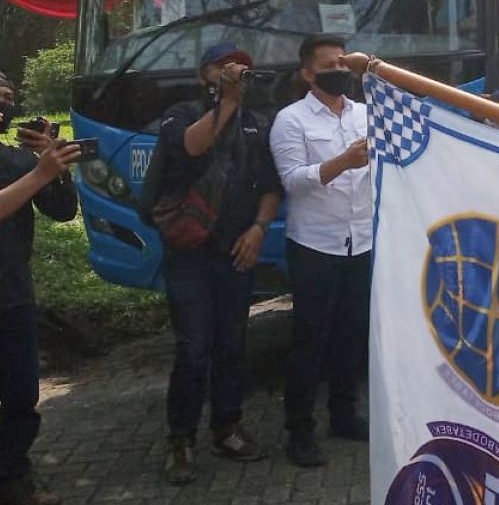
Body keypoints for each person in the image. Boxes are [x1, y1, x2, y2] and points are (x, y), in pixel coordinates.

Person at [155, 44, 283, 484]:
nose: (236, 74)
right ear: (202, 75)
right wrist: (226, 100)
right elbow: (192, 148)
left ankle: (227, 427)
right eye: (225, 68)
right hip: (189, 254)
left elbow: (270, 185)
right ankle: (180, 440)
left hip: (236, 250)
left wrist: (260, 229)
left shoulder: (258, 124)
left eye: (243, 70)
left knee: (232, 343)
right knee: (193, 347)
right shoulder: (181, 113)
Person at [270, 35, 372, 468]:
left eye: (344, 63)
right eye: (329, 65)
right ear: (308, 74)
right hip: (316, 243)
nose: (339, 70)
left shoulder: (367, 114)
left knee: (352, 335)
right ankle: (299, 430)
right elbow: (292, 180)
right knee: (311, 339)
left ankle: (344, 416)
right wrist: (342, 164)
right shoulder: (290, 120)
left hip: (362, 240)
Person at [0, 74, 78, 505]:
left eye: (9, 98)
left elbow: (64, 212)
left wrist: (53, 165)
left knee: (21, 393)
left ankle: (12, 476)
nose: (4, 104)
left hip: (12, 294)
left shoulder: (16, 160)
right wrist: (41, 172)